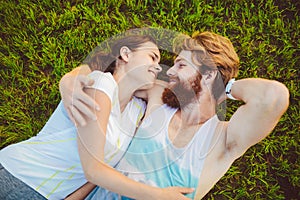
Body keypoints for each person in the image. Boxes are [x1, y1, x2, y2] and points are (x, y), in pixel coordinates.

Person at [60, 31, 290, 199]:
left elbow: (273, 96)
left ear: (208, 75)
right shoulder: (160, 96)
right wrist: (69, 81)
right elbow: (112, 68)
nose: (169, 71)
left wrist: (224, 87)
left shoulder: (224, 140)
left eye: (180, 65)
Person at [0, 33, 194, 200]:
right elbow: (93, 170)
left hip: (48, 194)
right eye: (152, 57)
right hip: (18, 176)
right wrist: (159, 195)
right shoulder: (100, 84)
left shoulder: (136, 111)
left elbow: (102, 171)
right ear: (126, 54)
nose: (158, 67)